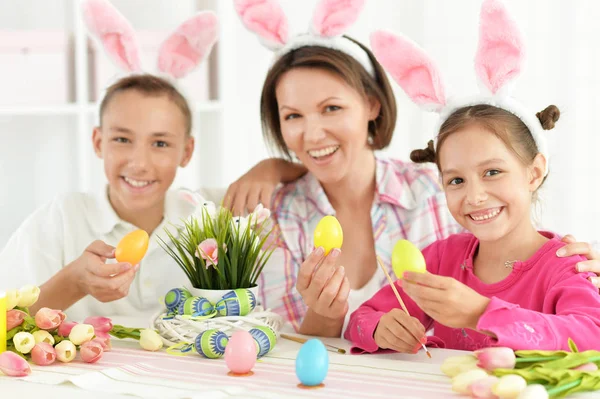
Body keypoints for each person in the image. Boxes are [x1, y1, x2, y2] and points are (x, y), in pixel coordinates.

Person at [345, 0, 600, 353]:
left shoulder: (567, 266)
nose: (475, 195)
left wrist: (481, 312)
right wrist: (380, 329)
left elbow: (590, 336)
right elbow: (361, 317)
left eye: (492, 172)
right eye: (456, 180)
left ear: (534, 172)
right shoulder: (440, 261)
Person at [0, 2, 222, 321]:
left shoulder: (204, 223)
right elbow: (6, 322)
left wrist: (274, 167)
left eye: (160, 143)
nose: (139, 163)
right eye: (122, 139)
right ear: (98, 142)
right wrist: (74, 281)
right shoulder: (60, 221)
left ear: (186, 152)